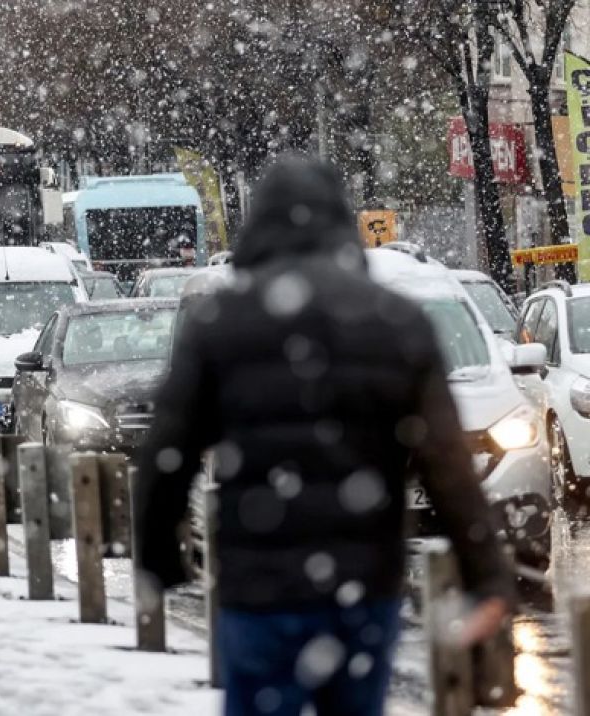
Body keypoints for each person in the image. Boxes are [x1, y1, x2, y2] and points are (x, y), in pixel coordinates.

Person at [133, 156, 513, 716]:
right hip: (362, 584)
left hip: (258, 585)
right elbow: (447, 464)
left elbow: (169, 452)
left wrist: (159, 558)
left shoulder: (221, 323)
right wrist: (487, 574)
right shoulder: (397, 322)